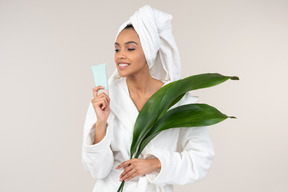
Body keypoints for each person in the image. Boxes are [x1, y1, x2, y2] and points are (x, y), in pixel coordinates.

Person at [82, 5, 215, 192]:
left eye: (130, 49)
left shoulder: (177, 100)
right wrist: (101, 123)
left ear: (149, 51)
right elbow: (98, 171)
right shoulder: (106, 98)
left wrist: (156, 163)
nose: (120, 55)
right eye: (117, 49)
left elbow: (202, 158)